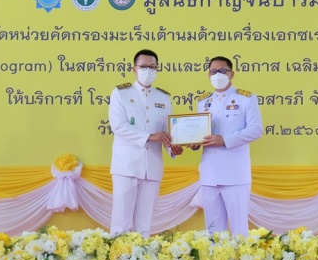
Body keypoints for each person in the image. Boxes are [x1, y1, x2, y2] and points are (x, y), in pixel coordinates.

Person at [109, 49, 182, 237]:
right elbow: (119, 126)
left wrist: (173, 147)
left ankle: (142, 256)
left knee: (144, 224)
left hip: (152, 166)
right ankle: (119, 256)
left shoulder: (163, 97)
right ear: (134, 69)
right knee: (121, 224)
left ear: (157, 69)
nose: (147, 71)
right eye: (143, 67)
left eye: (152, 67)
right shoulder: (121, 93)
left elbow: (166, 130)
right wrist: (150, 137)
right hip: (126, 165)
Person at [192, 56, 262, 236]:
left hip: (235, 173)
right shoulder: (203, 102)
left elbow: (256, 129)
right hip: (210, 172)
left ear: (231, 74)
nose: (218, 75)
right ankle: (216, 257)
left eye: (222, 71)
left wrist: (225, 139)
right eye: (213, 71)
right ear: (208, 74)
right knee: (213, 232)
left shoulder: (246, 98)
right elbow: (200, 132)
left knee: (239, 230)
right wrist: (193, 142)